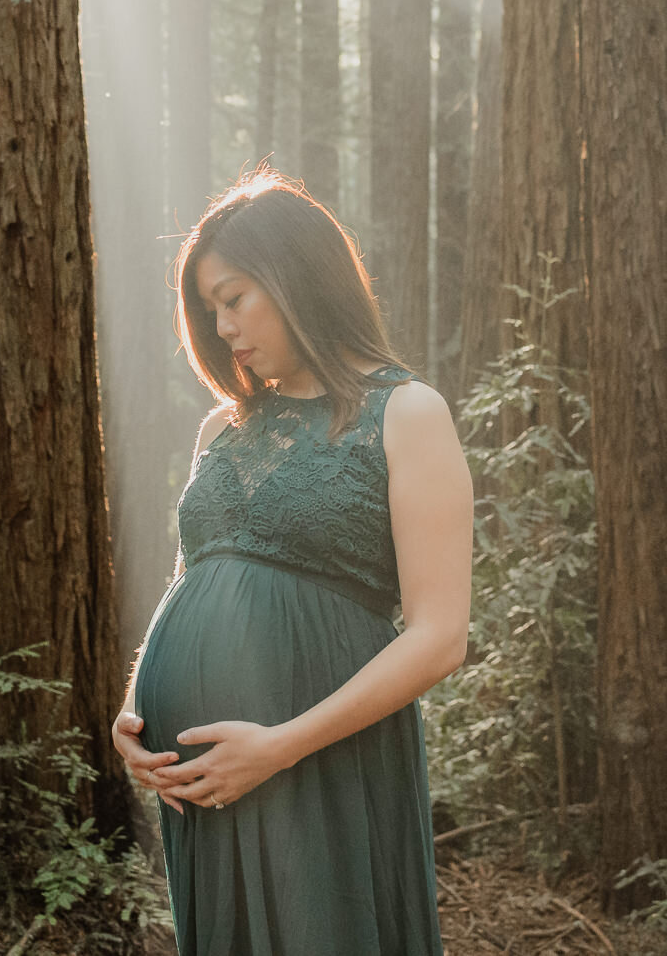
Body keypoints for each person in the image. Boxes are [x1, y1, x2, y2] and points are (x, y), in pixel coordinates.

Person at [111, 170, 474, 956]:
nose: (224, 326)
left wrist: (280, 745)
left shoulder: (407, 413)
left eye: (234, 296)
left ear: (296, 275)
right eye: (211, 309)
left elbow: (441, 635)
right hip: (206, 778)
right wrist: (134, 704)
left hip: (320, 760)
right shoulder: (222, 430)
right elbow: (190, 577)